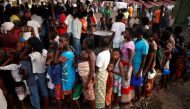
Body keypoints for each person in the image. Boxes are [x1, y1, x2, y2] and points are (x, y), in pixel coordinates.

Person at [21, 36, 49, 109]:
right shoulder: (44, 51)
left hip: (38, 73)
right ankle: (46, 106)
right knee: (44, 90)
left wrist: (26, 49)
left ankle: (39, 106)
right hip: (43, 72)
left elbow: (21, 57)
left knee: (40, 90)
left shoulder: (34, 55)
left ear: (32, 45)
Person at [55, 33, 75, 109]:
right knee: (69, 93)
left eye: (62, 41)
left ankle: (71, 107)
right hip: (70, 73)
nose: (60, 43)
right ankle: (69, 106)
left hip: (68, 76)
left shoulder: (66, 54)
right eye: (59, 41)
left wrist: (58, 50)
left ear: (67, 41)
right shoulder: (70, 48)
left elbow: (55, 61)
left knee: (69, 94)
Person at [78, 38, 96, 109]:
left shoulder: (91, 54)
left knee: (91, 96)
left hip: (88, 79)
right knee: (88, 95)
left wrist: (88, 82)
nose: (82, 44)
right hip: (83, 77)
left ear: (86, 44)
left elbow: (92, 70)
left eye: (83, 42)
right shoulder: (84, 52)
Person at [133, 25, 149, 103]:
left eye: (136, 31)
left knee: (138, 83)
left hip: (138, 65)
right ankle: (135, 96)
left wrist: (140, 71)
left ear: (139, 33)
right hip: (132, 64)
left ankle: (138, 99)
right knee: (134, 82)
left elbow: (144, 58)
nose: (134, 32)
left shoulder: (145, 44)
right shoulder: (135, 40)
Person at [120, 28, 135, 108]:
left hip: (127, 66)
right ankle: (125, 100)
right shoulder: (128, 42)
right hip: (124, 65)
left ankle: (127, 102)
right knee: (124, 83)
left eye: (126, 33)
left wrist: (127, 73)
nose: (124, 34)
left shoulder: (129, 45)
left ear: (130, 35)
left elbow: (130, 59)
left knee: (125, 83)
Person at [95, 37, 110, 109]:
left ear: (100, 44)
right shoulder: (108, 52)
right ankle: (102, 105)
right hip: (104, 73)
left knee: (99, 92)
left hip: (100, 74)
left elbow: (97, 68)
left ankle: (100, 107)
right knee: (102, 91)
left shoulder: (101, 55)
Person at [143, 30, 157, 98]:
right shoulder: (148, 44)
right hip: (144, 64)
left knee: (147, 81)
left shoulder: (151, 46)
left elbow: (151, 59)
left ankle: (145, 94)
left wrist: (147, 69)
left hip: (148, 66)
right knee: (145, 81)